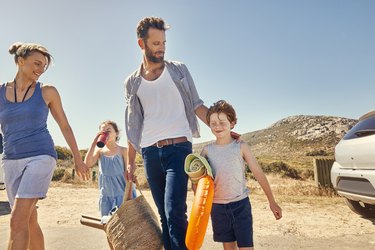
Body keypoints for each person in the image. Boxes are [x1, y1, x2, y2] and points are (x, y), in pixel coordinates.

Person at [124, 16, 210, 250]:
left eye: (163, 43)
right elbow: (133, 126)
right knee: (163, 215)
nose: (161, 48)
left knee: (174, 211)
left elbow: (196, 104)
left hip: (178, 149)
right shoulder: (132, 83)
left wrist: (218, 122)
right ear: (141, 44)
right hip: (150, 153)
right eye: (155, 43)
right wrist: (131, 163)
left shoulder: (179, 70)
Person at [0, 42, 90, 250]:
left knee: (16, 221)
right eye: (37, 64)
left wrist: (78, 158)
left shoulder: (47, 91)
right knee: (29, 221)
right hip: (11, 159)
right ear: (20, 61)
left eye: (44, 67)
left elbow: (65, 126)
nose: (40, 70)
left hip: (41, 156)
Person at [199, 100, 282, 250]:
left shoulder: (241, 146)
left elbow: (258, 173)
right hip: (217, 207)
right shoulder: (206, 151)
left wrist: (272, 201)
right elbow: (199, 182)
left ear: (232, 123)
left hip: (240, 206)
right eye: (213, 123)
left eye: (222, 122)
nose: (218, 126)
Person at [84, 120, 136, 219]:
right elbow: (87, 164)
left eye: (108, 131)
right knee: (108, 225)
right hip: (106, 196)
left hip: (123, 195)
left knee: (127, 226)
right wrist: (94, 143)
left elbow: (129, 175)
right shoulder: (100, 151)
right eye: (102, 132)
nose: (105, 134)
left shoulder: (123, 150)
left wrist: (129, 196)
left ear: (116, 133)